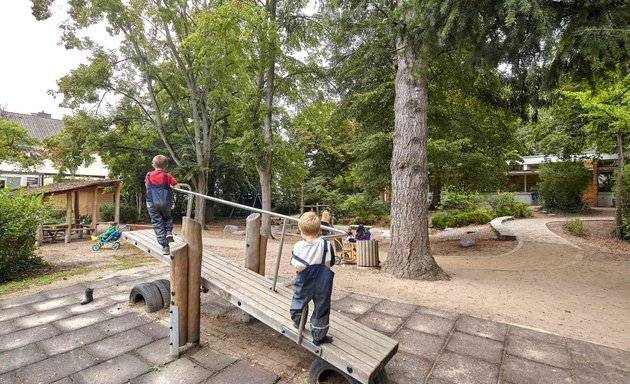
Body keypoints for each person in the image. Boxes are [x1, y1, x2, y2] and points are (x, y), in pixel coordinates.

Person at [289, 211, 335, 346]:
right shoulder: (326, 245)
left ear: (300, 229)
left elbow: (296, 265)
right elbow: (329, 263)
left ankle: (299, 323)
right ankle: (319, 335)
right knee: (322, 308)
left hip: (304, 281)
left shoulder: (298, 246)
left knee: (298, 302)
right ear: (319, 230)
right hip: (323, 282)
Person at [145, 155, 179, 255]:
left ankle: (165, 246)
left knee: (157, 223)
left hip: (152, 202)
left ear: (153, 165)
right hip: (165, 202)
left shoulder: (148, 175)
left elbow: (147, 185)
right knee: (167, 218)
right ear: (166, 166)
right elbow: (177, 186)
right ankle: (168, 232)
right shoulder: (167, 176)